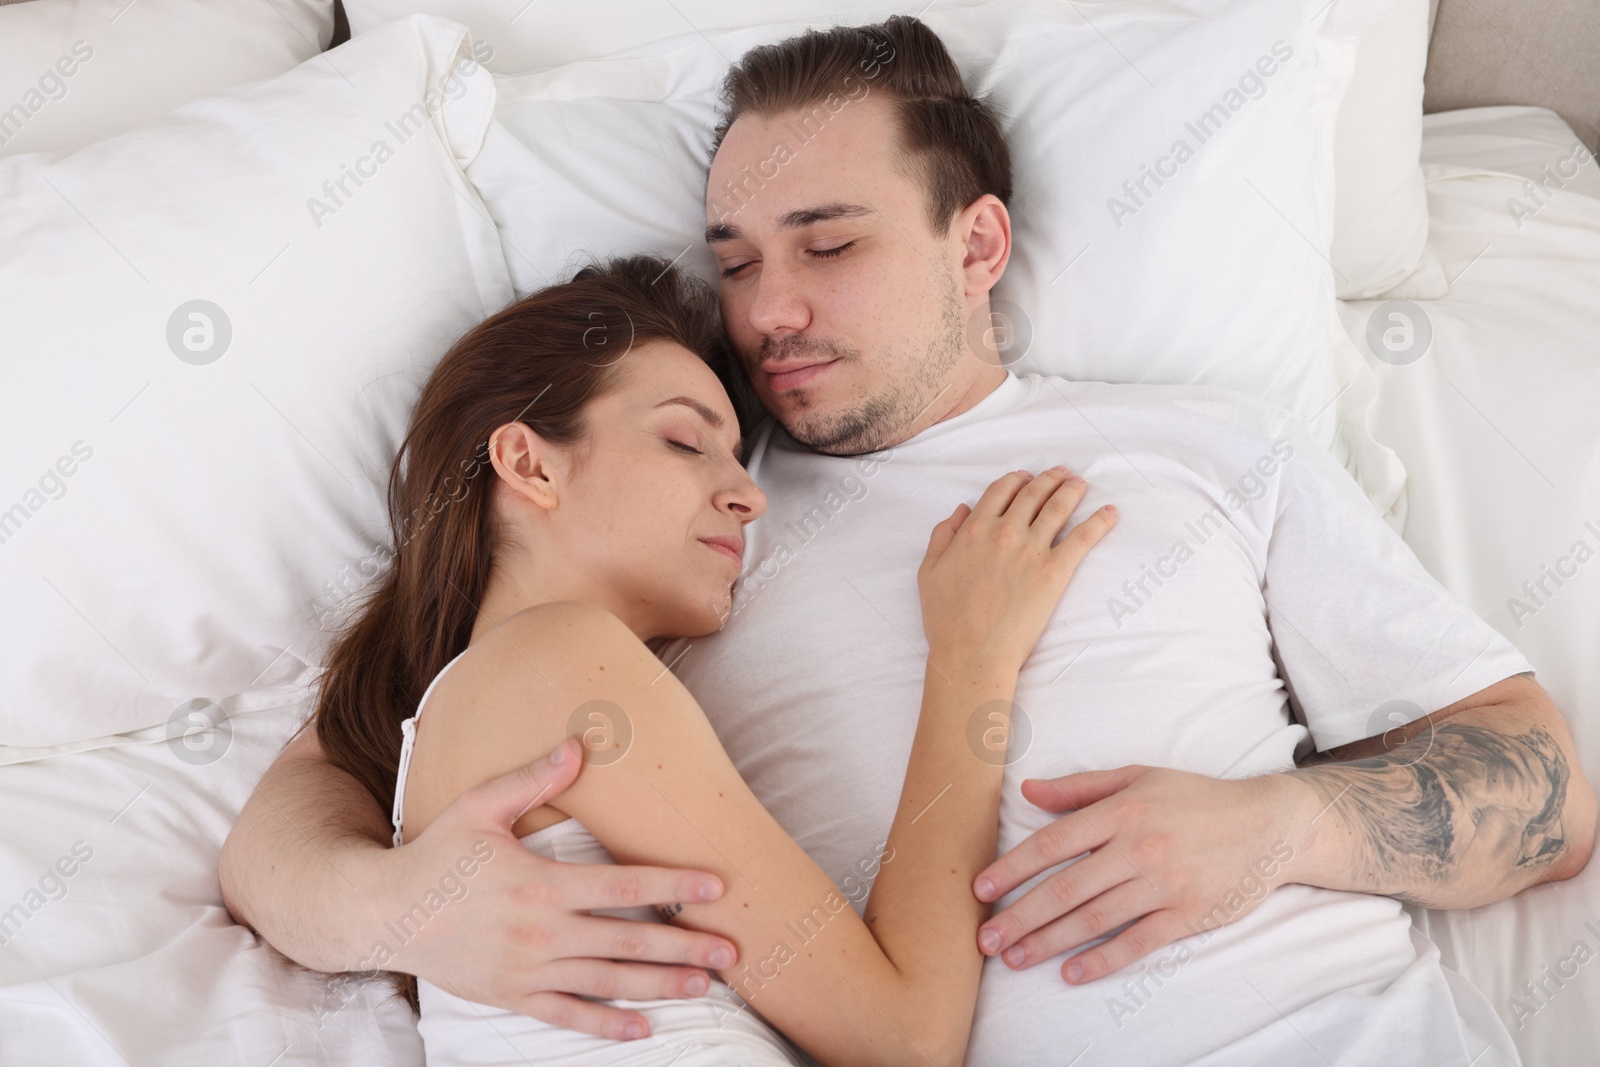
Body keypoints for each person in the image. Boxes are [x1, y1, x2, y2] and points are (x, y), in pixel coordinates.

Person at [222, 15, 1596, 1066]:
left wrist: (1286, 823)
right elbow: (323, 777)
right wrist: (403, 911)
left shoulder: (1207, 447)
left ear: (977, 243)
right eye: (740, 258)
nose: (768, 310)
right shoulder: (681, 516)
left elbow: (1548, 789)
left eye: (829, 243)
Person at [297, 251, 1116, 1066]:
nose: (749, 496)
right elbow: (903, 1039)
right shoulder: (556, 660)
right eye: (687, 441)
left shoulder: (489, 701)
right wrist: (974, 660)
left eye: (735, 455)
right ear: (529, 463)